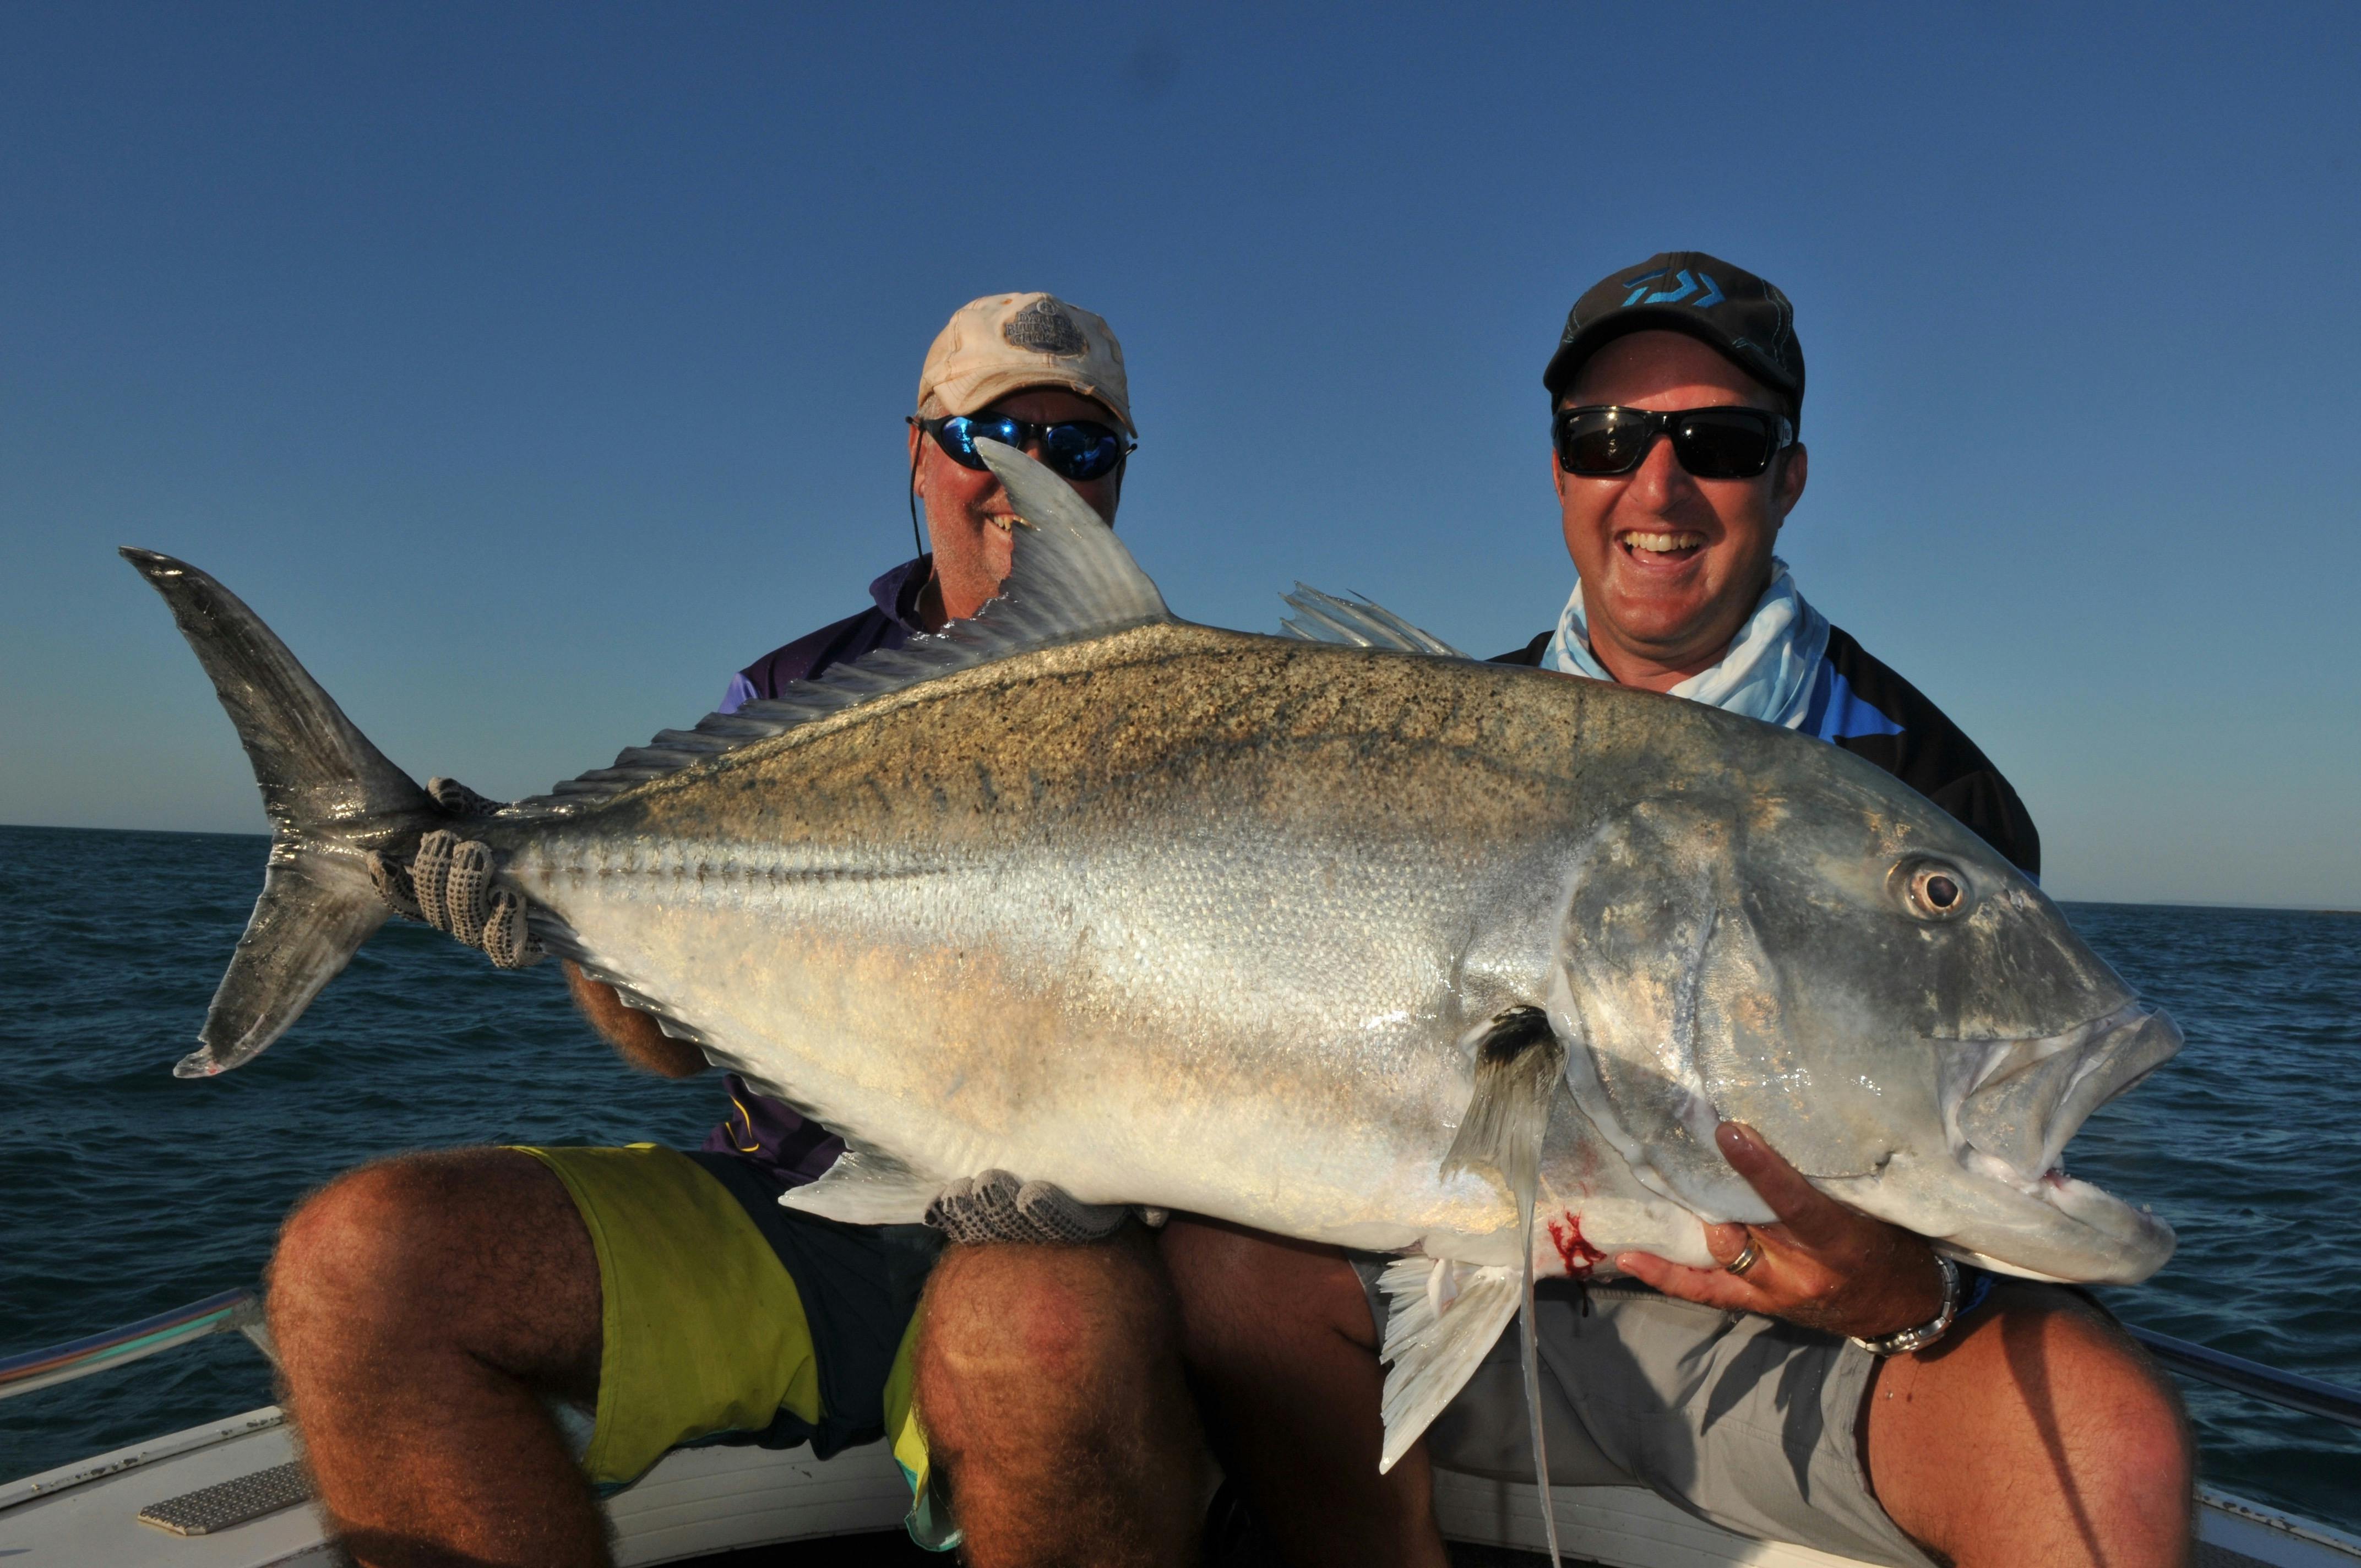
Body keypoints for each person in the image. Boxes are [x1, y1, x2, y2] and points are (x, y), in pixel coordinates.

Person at [1161, 253, 2195, 1568]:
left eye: (1717, 442)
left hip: (1779, 1341)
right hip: (1440, 1285)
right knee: (1224, 1268)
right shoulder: (1427, 735)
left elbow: (1953, 1210)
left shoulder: (1925, 788)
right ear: (1559, 473)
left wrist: (1900, 1288)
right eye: (1604, 439)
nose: (1655, 488)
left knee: (2106, 1443)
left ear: (1786, 477)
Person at [267, 291, 1205, 1568]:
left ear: (1115, 477)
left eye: (1079, 445)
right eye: (989, 436)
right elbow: (665, 1050)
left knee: (1040, 1333)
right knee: (360, 1265)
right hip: (798, 1211)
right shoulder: (787, 695)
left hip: (1058, 1240)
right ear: (918, 452)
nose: (1029, 474)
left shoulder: (1196, 720)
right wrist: (559, 913)